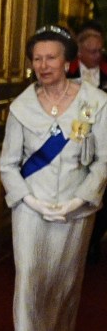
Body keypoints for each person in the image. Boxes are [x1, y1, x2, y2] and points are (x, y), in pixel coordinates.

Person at [0, 25, 107, 331]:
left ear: (67, 60)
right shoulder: (21, 107)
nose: (43, 65)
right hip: (31, 208)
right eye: (37, 59)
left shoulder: (96, 102)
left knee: (63, 286)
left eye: (51, 57)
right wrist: (27, 199)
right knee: (29, 284)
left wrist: (80, 199)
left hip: (76, 211)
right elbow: (8, 164)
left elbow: (103, 162)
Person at [66, 23, 107, 263]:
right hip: (74, 140)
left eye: (100, 51)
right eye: (93, 51)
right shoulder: (67, 74)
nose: (98, 55)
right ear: (80, 52)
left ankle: (92, 241)